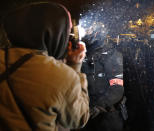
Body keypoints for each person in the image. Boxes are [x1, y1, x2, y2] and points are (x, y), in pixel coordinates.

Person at [0, 2, 89, 131]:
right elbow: (79, 118)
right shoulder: (62, 76)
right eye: (66, 30)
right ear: (55, 33)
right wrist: (75, 65)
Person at [80, 28, 126, 131]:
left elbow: (117, 88)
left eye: (89, 31)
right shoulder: (84, 54)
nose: (85, 34)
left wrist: (98, 105)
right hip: (88, 114)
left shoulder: (111, 56)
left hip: (107, 116)